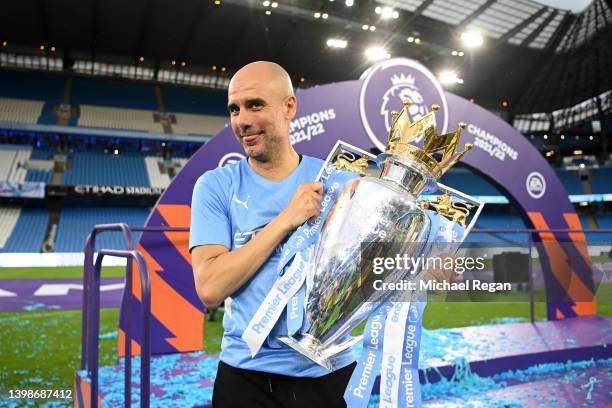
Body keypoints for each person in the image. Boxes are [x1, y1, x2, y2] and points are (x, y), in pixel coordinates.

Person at [189, 61, 356, 408]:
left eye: (255, 105)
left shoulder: (337, 181)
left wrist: (421, 272)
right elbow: (209, 288)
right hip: (246, 377)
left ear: (289, 107)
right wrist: (285, 220)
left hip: (329, 375)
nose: (242, 120)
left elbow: (367, 273)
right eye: (234, 109)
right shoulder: (216, 186)